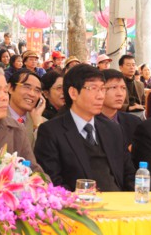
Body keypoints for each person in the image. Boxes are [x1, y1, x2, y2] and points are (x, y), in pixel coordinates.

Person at [34, 64, 134, 192]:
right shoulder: (51, 132)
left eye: (102, 89)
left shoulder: (113, 129)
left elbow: (129, 174)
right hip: (78, 202)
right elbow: (52, 182)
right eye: (93, 88)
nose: (100, 96)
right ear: (73, 93)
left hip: (117, 201)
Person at [100, 69, 142, 148]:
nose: (120, 94)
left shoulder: (134, 122)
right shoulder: (89, 124)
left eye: (123, 88)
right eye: (114, 87)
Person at [7, 69, 46, 147]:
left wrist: (37, 125)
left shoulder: (43, 124)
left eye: (37, 90)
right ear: (10, 88)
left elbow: (45, 151)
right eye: (27, 87)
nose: (32, 94)